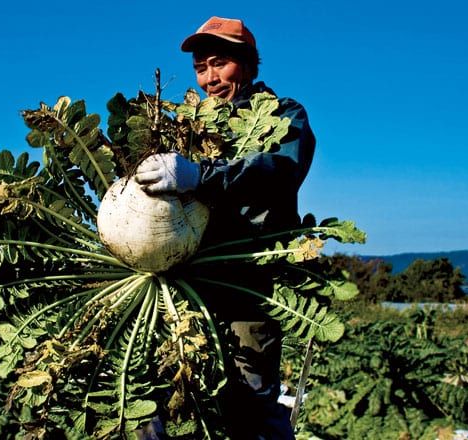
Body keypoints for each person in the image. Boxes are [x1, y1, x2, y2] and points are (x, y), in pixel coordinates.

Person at [134, 16, 316, 440]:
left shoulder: (285, 115)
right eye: (201, 68)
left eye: (220, 64)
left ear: (250, 65)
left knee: (251, 407)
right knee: (157, 401)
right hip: (182, 286)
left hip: (247, 288)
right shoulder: (187, 127)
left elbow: (278, 170)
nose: (210, 79)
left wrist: (202, 176)